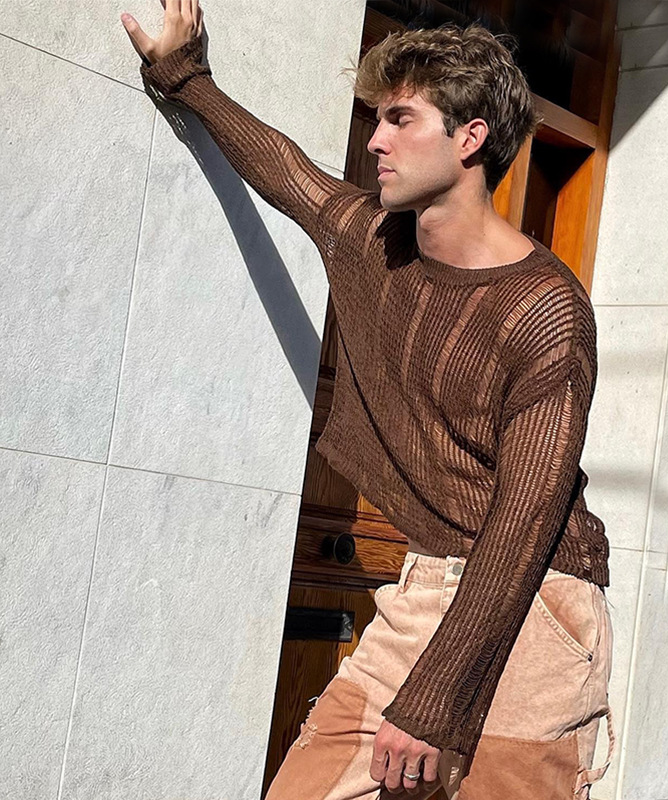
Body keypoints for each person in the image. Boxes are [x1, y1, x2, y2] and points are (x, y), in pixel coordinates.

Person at [122, 3, 615, 798]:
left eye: (400, 119)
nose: (375, 140)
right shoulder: (374, 242)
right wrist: (185, 77)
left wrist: (435, 699)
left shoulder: (545, 310)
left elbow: (527, 518)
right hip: (428, 585)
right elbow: (287, 173)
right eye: (376, 118)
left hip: (537, 610)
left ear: (470, 138)